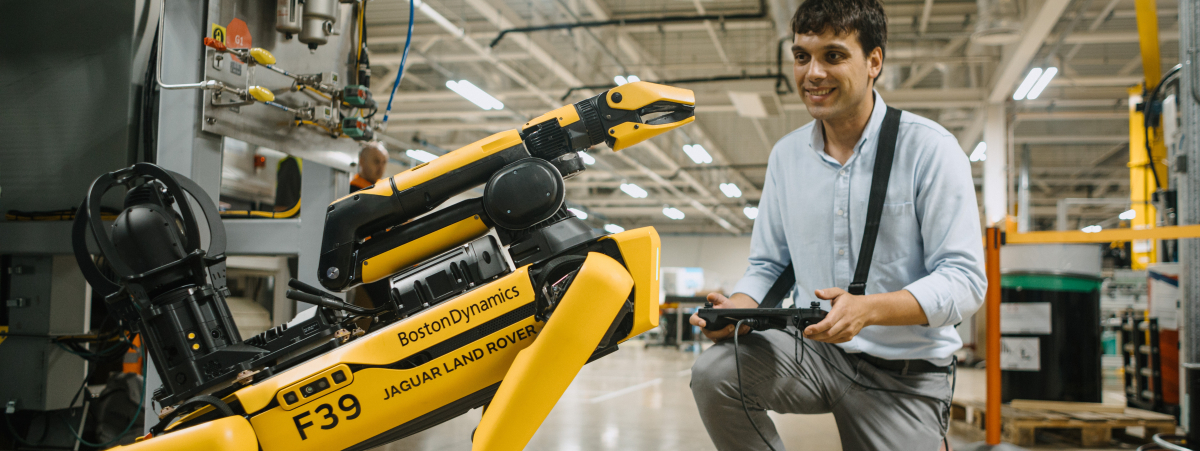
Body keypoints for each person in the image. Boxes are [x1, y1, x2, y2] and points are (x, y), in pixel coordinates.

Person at [688, 0, 986, 449]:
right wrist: (737, 312)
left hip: (903, 377)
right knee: (715, 373)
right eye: (802, 56)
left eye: (833, 55)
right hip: (816, 355)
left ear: (874, 61)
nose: (813, 73)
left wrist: (869, 309)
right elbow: (769, 264)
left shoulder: (930, 151)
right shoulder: (787, 157)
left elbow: (965, 282)